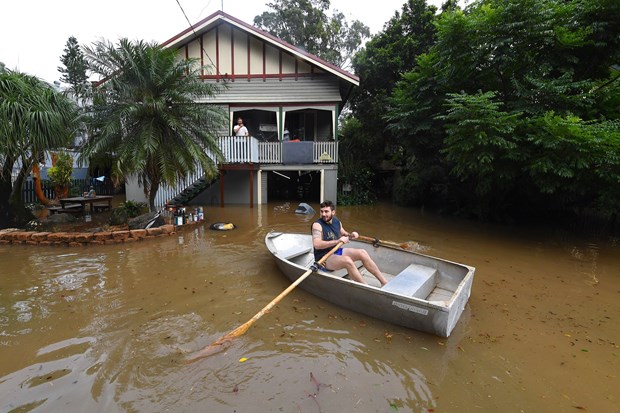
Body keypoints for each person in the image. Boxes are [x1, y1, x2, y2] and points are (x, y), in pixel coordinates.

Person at [311, 200, 388, 287]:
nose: (323, 214)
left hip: (336, 251)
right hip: (324, 258)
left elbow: (344, 233)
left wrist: (351, 235)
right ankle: (366, 287)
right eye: (322, 211)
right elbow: (317, 244)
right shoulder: (317, 225)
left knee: (362, 252)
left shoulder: (336, 222)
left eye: (326, 211)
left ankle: (384, 282)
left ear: (333, 212)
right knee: (348, 261)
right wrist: (338, 241)